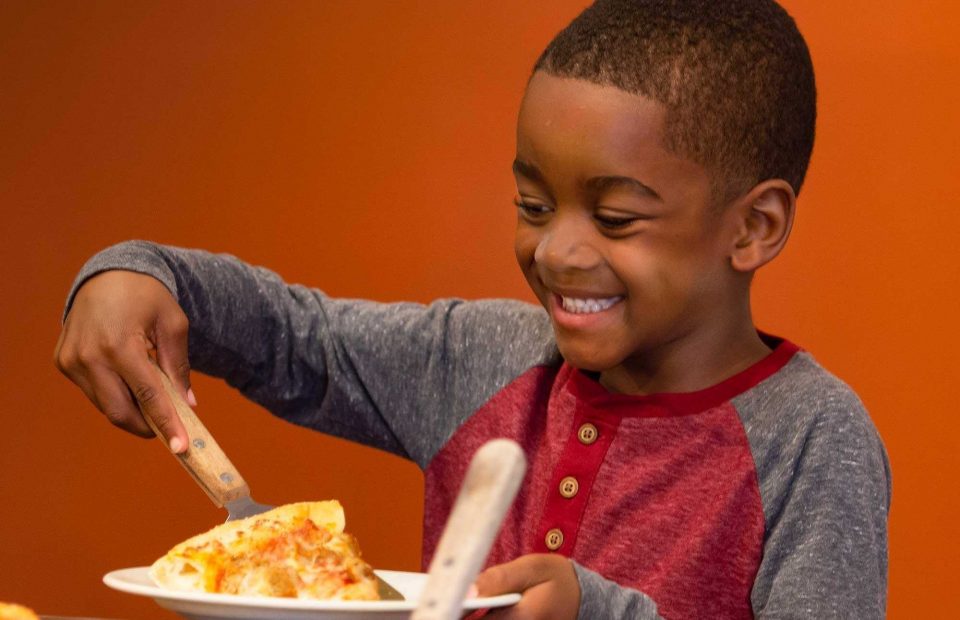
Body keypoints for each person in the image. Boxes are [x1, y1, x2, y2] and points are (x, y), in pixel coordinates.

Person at [54, 0, 890, 618]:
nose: (556, 251)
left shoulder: (812, 439)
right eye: (533, 206)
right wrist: (139, 274)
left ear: (754, 225)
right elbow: (292, 336)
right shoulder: (480, 360)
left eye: (616, 218)